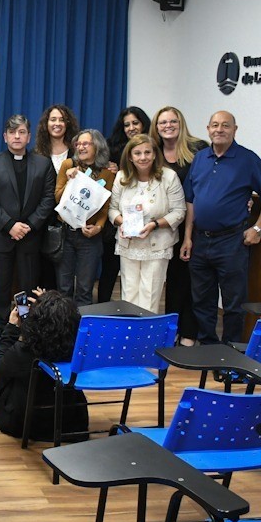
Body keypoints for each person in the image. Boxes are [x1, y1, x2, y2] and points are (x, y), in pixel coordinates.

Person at [180, 111, 261, 345]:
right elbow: (190, 201)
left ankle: (230, 353)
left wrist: (258, 229)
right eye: (215, 125)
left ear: (235, 129)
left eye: (225, 125)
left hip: (232, 241)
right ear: (207, 129)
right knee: (202, 301)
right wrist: (187, 238)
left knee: (234, 303)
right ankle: (208, 347)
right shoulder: (200, 158)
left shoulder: (248, 159)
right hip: (200, 240)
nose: (219, 129)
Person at [0, 115, 55, 337]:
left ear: (29, 136)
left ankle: (25, 325)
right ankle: (2, 328)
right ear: (5, 136)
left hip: (30, 237)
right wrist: (10, 225)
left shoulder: (43, 163)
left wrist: (29, 225)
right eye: (12, 132)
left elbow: (48, 199)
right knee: (0, 286)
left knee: (27, 287)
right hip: (1, 235)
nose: (17, 136)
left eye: (22, 132)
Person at [0, 289, 88, 441]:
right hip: (71, 422)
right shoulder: (77, 347)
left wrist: (11, 327)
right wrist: (49, 305)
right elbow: (58, 321)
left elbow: (1, 365)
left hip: (23, 424)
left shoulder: (26, 351)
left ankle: (2, 399)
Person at [107, 134, 185, 314]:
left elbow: (179, 212)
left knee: (149, 296)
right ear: (130, 157)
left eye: (147, 152)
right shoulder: (121, 177)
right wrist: (122, 223)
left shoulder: (169, 177)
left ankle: (146, 340)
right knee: (129, 294)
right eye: (137, 153)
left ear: (155, 154)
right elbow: (112, 210)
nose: (143, 157)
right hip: (129, 244)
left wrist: (155, 224)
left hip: (157, 245)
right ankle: (129, 336)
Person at [151, 106, 209, 345]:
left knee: (193, 280)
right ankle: (172, 328)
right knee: (174, 280)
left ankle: (189, 332)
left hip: (195, 224)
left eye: (172, 121)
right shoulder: (154, 152)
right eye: (162, 122)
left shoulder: (199, 149)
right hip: (165, 226)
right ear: (156, 126)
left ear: (181, 123)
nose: (168, 126)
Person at [54, 129, 115, 307]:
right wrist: (69, 180)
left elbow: (105, 207)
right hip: (66, 234)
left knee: (85, 289)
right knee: (64, 288)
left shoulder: (108, 172)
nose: (80, 147)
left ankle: (82, 332)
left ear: (97, 146)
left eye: (85, 143)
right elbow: (57, 198)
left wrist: (99, 227)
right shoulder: (68, 165)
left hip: (90, 238)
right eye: (78, 144)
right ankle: (63, 331)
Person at [99, 106, 152, 303]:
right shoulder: (112, 149)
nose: (131, 128)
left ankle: (132, 311)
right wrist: (109, 170)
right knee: (110, 269)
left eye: (135, 123)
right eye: (127, 124)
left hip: (148, 223)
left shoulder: (155, 148)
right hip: (117, 218)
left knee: (139, 278)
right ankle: (104, 309)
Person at [33, 104, 80, 290]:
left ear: (68, 123)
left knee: (66, 277)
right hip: (43, 222)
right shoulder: (37, 153)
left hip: (71, 221)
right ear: (46, 123)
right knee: (44, 272)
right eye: (53, 119)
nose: (57, 123)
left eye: (61, 119)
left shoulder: (77, 152)